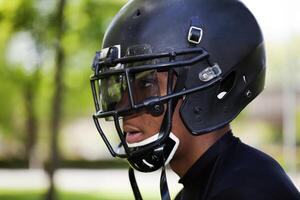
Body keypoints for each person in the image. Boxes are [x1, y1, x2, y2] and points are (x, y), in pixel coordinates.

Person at [90, 0, 300, 199]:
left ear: (204, 86)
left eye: (146, 84)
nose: (123, 106)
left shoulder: (249, 191)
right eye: (122, 85)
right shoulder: (207, 184)